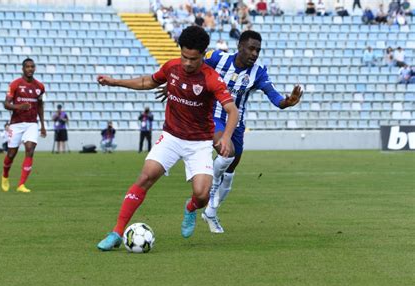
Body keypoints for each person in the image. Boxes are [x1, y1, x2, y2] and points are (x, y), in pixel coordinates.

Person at [96, 26, 239, 251]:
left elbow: (232, 111)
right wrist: (114, 82)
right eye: (184, 56)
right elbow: (147, 82)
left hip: (199, 143)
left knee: (202, 195)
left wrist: (226, 137)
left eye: (193, 59)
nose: (187, 63)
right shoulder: (172, 67)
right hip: (171, 137)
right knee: (146, 176)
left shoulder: (211, 79)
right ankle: (116, 232)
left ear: (203, 55)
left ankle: (191, 208)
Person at [157, 31, 303, 233]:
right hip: (214, 116)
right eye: (251, 48)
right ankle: (207, 181)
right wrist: (171, 86)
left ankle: (211, 211)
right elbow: (189, 69)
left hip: (236, 124)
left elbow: (275, 97)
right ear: (240, 47)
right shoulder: (217, 58)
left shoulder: (259, 72)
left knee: (230, 173)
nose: (254, 53)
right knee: (227, 152)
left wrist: (287, 103)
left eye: (258, 50)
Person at [1, 58, 46, 193]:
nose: (30, 69)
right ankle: (5, 175)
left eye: (32, 67)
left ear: (35, 68)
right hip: (16, 124)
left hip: (32, 123)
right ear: (23, 69)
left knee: (30, 149)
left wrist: (43, 125)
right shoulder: (15, 84)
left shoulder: (39, 87)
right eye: (27, 67)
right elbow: (6, 104)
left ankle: (21, 185)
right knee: (11, 154)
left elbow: (40, 105)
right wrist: (19, 106)